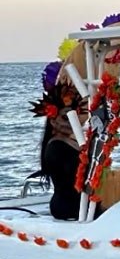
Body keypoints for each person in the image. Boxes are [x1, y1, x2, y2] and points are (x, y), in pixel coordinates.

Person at [31, 79, 87, 220]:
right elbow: (73, 178)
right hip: (69, 208)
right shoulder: (57, 147)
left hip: (79, 205)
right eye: (66, 117)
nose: (76, 120)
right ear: (53, 120)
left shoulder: (70, 142)